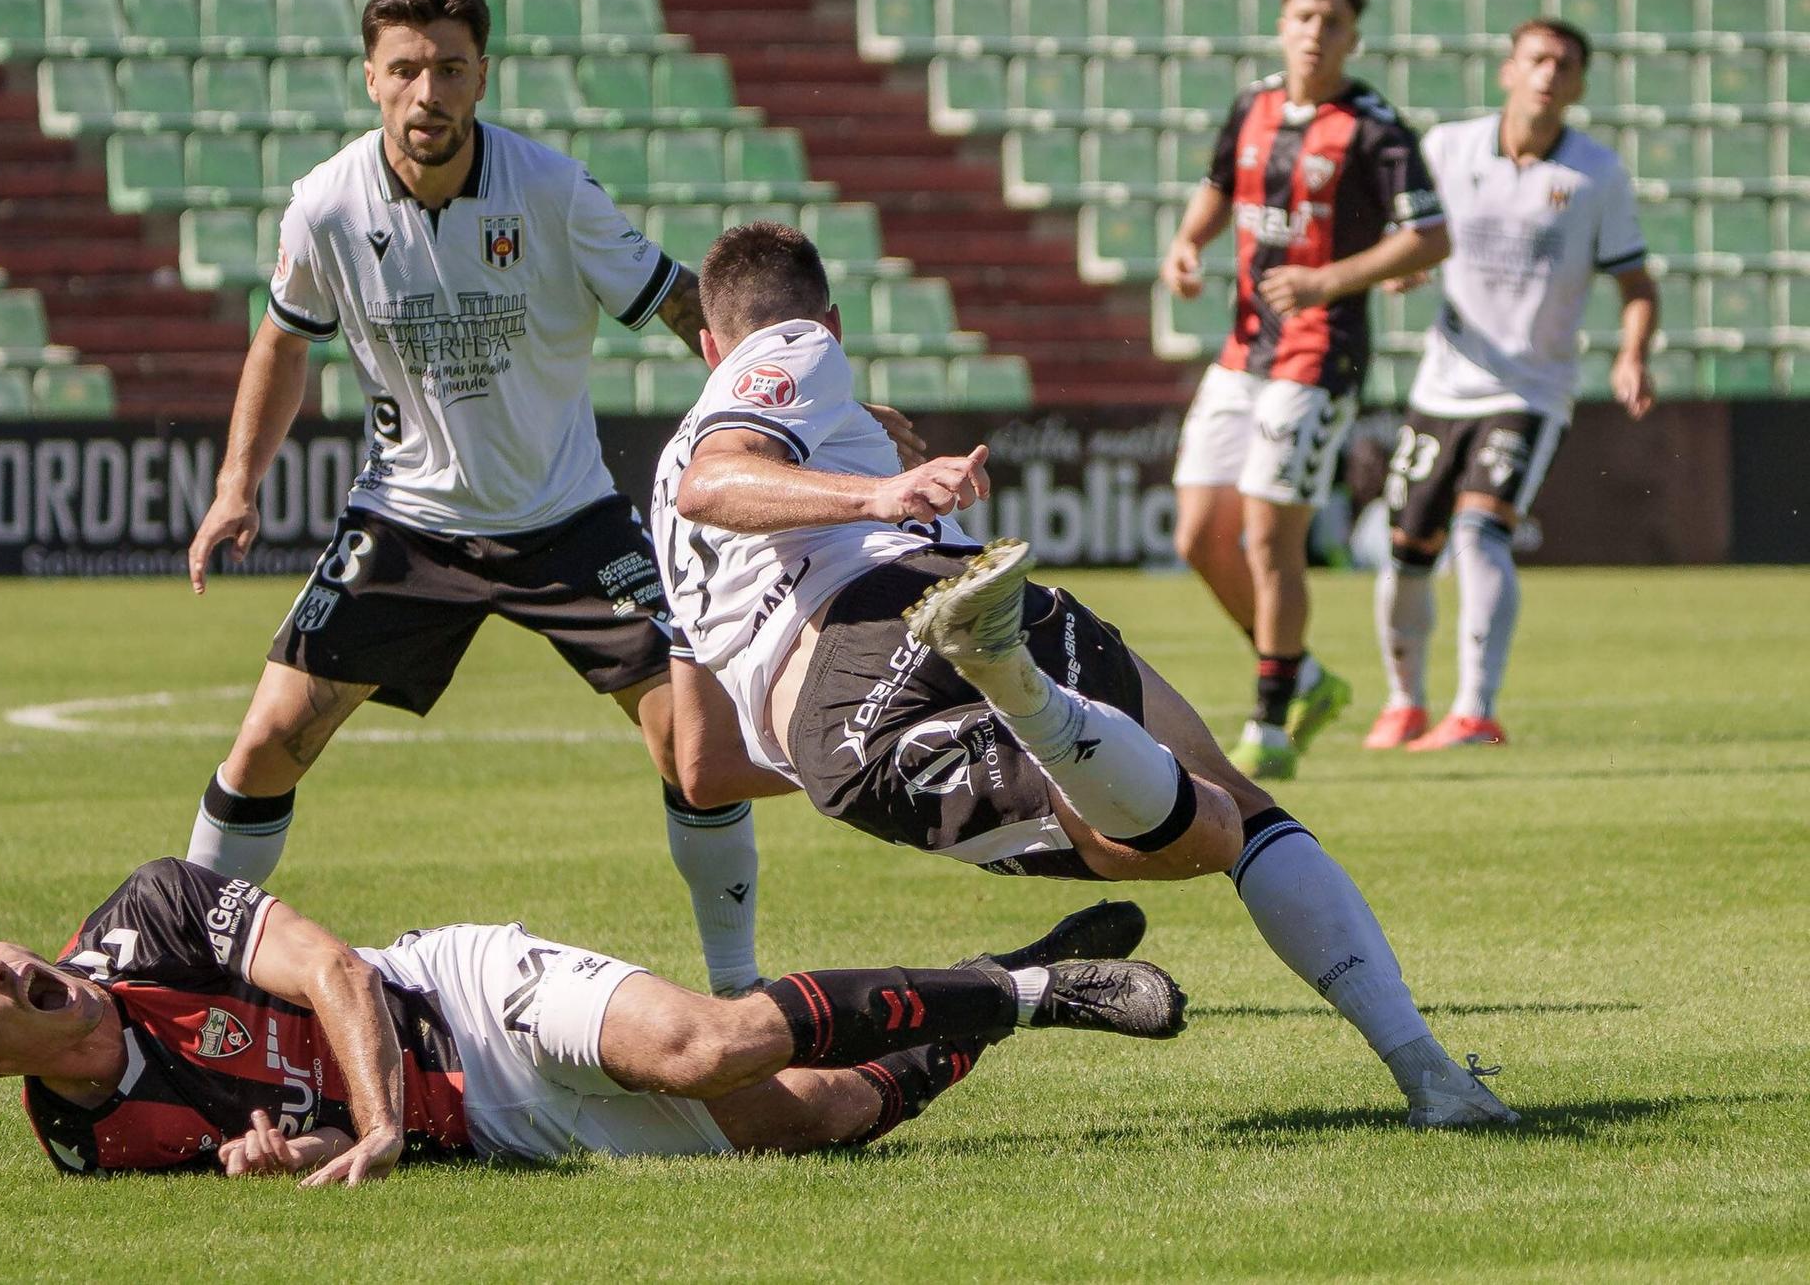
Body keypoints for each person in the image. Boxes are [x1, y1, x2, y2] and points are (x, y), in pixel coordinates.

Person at [649, 220, 1515, 1129]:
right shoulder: (800, 350)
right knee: (1224, 820)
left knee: (1209, 824)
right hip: (910, 611)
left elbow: (702, 767)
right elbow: (715, 479)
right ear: (828, 319)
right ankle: (1428, 1073)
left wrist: (829, 751)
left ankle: (1022, 695)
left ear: (706, 345)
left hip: (845, 721)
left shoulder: (678, 504)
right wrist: (877, 491)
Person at [176, 0, 788, 995]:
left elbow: (682, 302)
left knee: (693, 744)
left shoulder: (550, 190)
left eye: (449, 68)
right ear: (371, 78)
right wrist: (238, 484)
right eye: (406, 69)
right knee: (270, 738)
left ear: (481, 77)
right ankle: (178, 968)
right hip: (407, 523)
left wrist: (784, 398)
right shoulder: (324, 207)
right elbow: (283, 343)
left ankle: (737, 991)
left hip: (567, 520)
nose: (428, 93)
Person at [0, 859, 1179, 1178]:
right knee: (820, 1114)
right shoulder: (83, 1144)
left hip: (459, 994)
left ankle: (1035, 990)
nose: (0, 971)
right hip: (490, 1127)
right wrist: (258, 1169)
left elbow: (335, 972)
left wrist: (369, 1128)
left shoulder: (148, 914)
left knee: (704, 1045)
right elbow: (230, 1156)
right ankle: (996, 986)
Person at [1158, 0, 1450, 780]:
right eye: (1304, 17)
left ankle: (1271, 723)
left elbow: (1430, 236)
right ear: (1282, 24)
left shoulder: (1375, 125)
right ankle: (1308, 678)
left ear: (1354, 36)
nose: (1315, 33)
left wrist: (1330, 278)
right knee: (1196, 534)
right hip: (1244, 347)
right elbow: (1220, 186)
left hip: (1321, 355)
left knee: (1266, 537)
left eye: (1332, 22)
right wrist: (1188, 244)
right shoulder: (1252, 105)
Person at [1365, 19, 1657, 751]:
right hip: (1444, 383)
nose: (1548, 75)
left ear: (1581, 84)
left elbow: (1636, 282)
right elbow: (1413, 242)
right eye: (1536, 60)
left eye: (1564, 64)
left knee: (1480, 532)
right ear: (1508, 70)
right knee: (1407, 550)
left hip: (1531, 390)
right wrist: (1406, 267)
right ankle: (1404, 701)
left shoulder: (1597, 176)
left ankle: (1474, 711)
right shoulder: (1449, 148)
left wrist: (1632, 352)